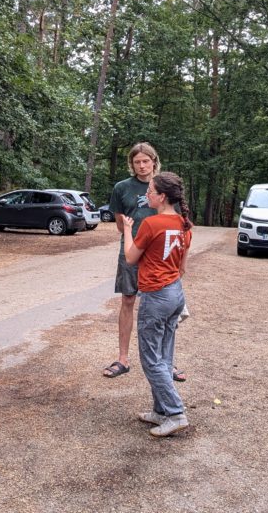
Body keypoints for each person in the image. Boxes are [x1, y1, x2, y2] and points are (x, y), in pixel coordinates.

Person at [102, 143, 187, 381]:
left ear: (153, 161)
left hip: (160, 254)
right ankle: (123, 359)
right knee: (128, 300)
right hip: (131, 250)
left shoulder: (165, 186)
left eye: (145, 161)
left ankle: (165, 362)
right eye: (137, 162)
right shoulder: (122, 188)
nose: (141, 166)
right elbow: (120, 224)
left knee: (161, 306)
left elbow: (176, 220)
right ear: (132, 164)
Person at [122, 172, 193, 437]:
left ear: (162, 196)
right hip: (175, 293)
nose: (147, 195)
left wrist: (128, 230)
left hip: (155, 297)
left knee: (151, 359)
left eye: (150, 191)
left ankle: (175, 413)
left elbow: (130, 257)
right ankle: (160, 410)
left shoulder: (152, 224)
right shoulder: (185, 224)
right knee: (164, 356)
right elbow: (182, 267)